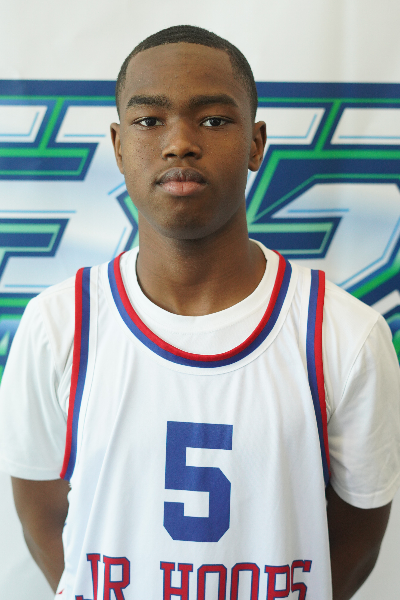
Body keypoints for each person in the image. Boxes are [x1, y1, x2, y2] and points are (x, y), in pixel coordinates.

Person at [0, 25, 399, 600]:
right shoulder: (57, 326)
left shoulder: (347, 335)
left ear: (256, 144)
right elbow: (41, 513)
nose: (180, 143)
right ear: (118, 145)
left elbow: (356, 540)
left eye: (213, 120)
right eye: (149, 120)